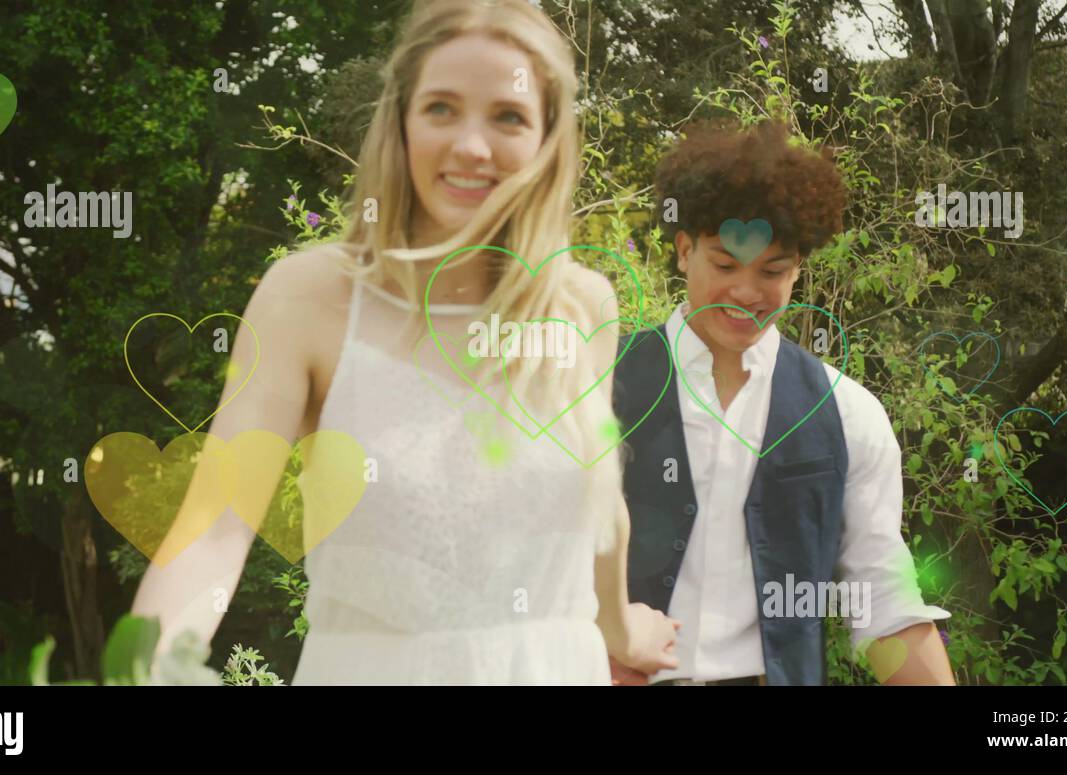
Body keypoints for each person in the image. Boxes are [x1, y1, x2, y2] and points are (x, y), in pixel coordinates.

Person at [131, 0, 679, 685]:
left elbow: (595, 506)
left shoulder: (582, 303)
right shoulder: (307, 298)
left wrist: (621, 629)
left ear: (547, 139)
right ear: (400, 123)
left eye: (507, 116)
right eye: (442, 108)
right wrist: (145, 670)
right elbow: (215, 530)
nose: (471, 146)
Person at [609, 119, 956, 686]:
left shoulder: (846, 413)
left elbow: (882, 602)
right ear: (683, 249)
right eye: (725, 265)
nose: (747, 293)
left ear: (798, 267)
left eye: (773, 271)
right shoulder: (598, 387)